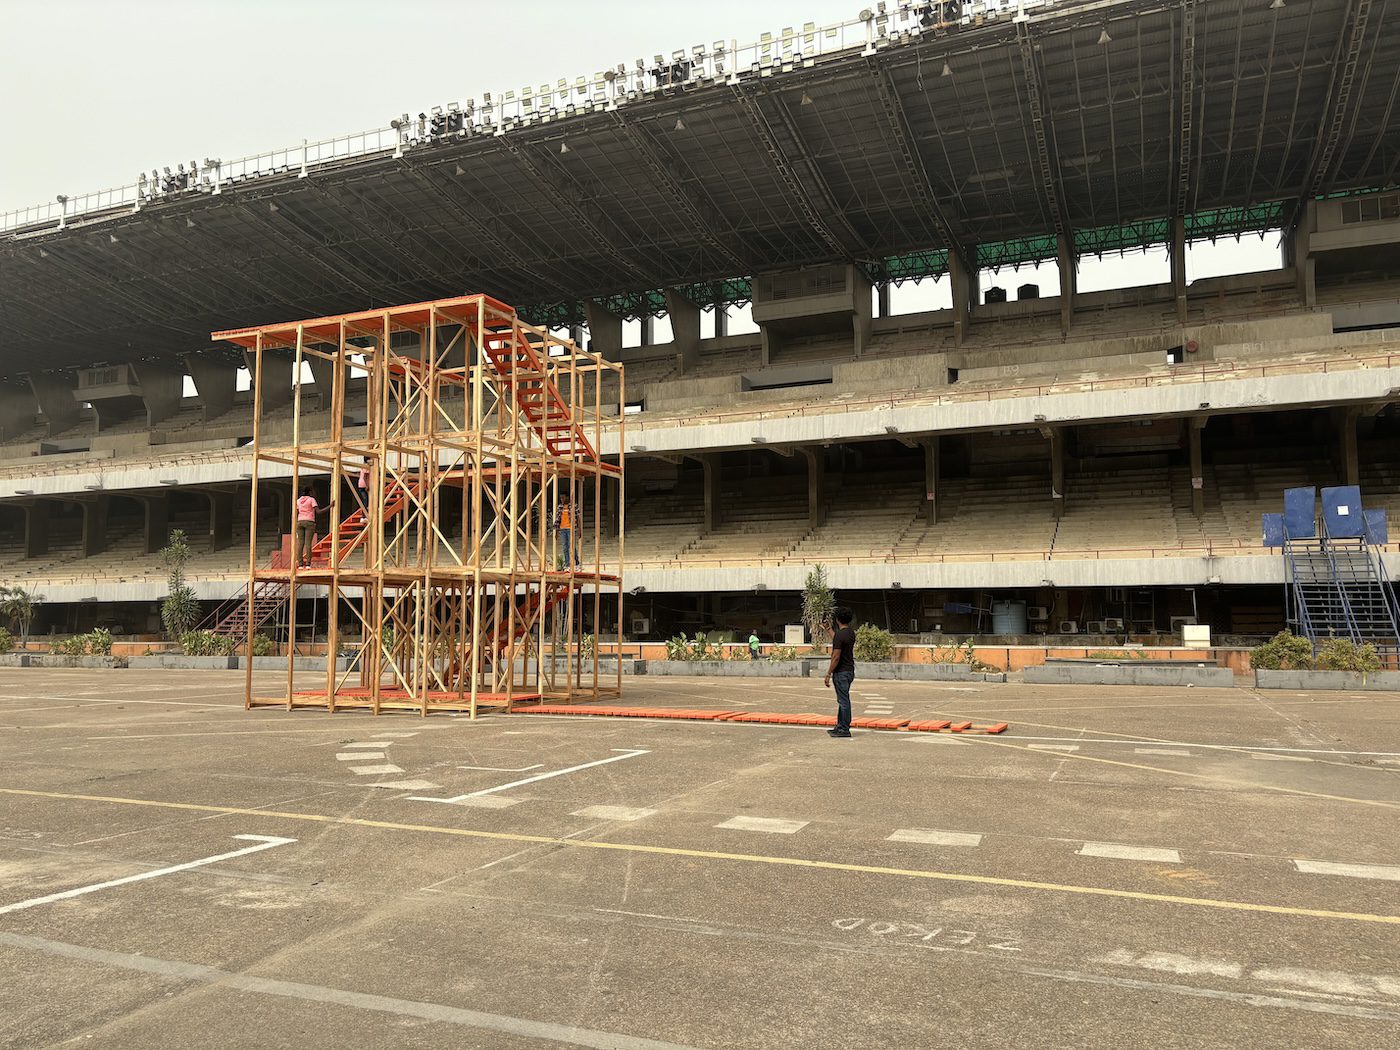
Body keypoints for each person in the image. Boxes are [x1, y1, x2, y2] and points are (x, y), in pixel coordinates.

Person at [823, 608, 856, 738]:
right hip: (849, 670)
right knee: (842, 699)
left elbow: (836, 657)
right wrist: (828, 629)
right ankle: (840, 725)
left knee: (843, 701)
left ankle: (844, 728)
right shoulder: (850, 633)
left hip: (841, 672)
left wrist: (828, 673)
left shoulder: (840, 635)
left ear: (837, 619)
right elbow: (837, 639)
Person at [294, 485, 328, 568]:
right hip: (309, 522)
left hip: (300, 522)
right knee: (308, 544)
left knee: (300, 544)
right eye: (313, 491)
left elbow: (297, 512)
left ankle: (300, 564)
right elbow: (318, 512)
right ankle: (308, 564)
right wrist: (330, 506)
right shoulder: (311, 499)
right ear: (310, 492)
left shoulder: (298, 501)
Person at [555, 499, 580, 569]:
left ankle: (577, 562)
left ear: (567, 497)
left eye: (563, 497)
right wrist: (557, 532)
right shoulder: (560, 507)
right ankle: (567, 564)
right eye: (560, 498)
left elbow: (578, 518)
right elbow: (557, 520)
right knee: (565, 547)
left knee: (571, 546)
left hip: (570, 529)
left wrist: (579, 530)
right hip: (562, 529)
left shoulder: (574, 506)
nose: (562, 499)